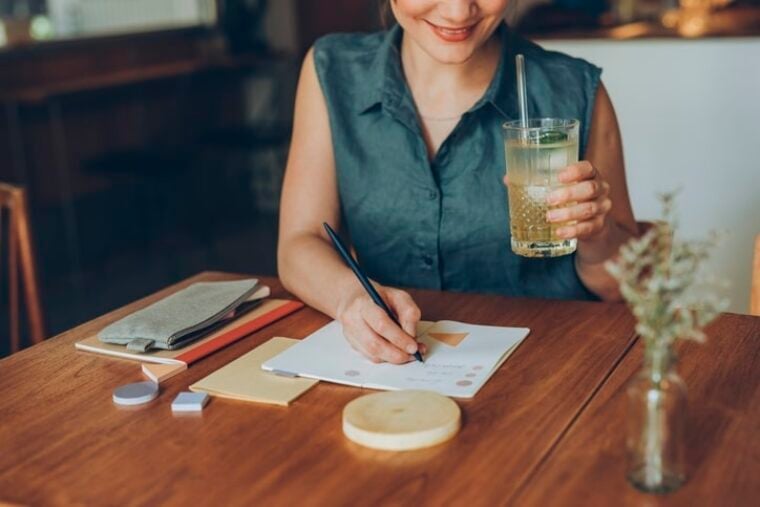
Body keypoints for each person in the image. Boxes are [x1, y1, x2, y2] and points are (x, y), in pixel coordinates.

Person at [278, 0, 639, 365]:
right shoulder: (333, 70)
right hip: (394, 374)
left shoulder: (575, 89)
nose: (457, 12)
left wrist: (597, 233)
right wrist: (350, 300)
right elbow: (300, 242)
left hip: (549, 370)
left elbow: (620, 286)